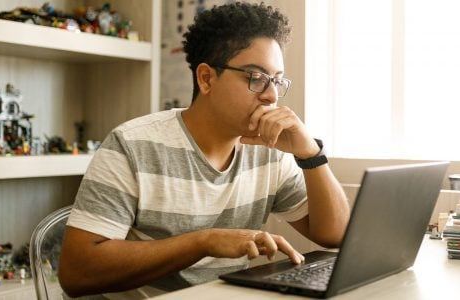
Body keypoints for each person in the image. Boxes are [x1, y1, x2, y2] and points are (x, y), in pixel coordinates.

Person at [58, 2, 349, 298]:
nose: (272, 95)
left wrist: (310, 154)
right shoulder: (132, 145)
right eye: (256, 78)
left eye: (275, 80)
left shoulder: (269, 151)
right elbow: (77, 273)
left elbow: (333, 235)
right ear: (207, 78)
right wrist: (204, 242)